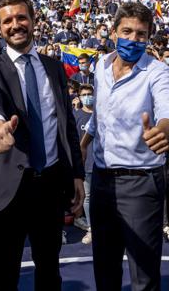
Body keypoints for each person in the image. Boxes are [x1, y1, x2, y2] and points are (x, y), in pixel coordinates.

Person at [0, 0, 85, 291]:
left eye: (21, 17)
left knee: (49, 269)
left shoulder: (54, 68)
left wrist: (76, 174)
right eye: (7, 20)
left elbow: (67, 126)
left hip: (50, 183)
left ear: (34, 21)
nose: (15, 24)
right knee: (5, 273)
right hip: (8, 185)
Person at [81, 2, 169, 291]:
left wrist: (163, 130)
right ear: (113, 33)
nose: (134, 39)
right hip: (101, 179)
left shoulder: (158, 72)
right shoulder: (100, 66)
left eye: (141, 34)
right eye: (127, 31)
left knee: (144, 273)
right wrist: (85, 143)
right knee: (104, 265)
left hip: (141, 182)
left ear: (149, 36)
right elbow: (101, 115)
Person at [73, 84, 95, 244]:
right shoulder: (76, 116)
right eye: (84, 94)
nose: (87, 96)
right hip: (85, 165)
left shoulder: (101, 114)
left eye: (90, 93)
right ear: (79, 97)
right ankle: (91, 229)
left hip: (103, 164)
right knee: (87, 198)